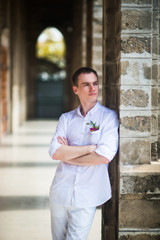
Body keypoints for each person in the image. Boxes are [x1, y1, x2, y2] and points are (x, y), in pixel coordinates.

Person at [48, 67, 119, 240]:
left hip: (87, 196)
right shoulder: (66, 119)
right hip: (60, 192)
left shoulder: (108, 118)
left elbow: (103, 156)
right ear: (75, 89)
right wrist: (90, 148)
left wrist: (69, 154)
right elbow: (56, 153)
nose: (93, 88)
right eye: (86, 84)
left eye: (95, 83)